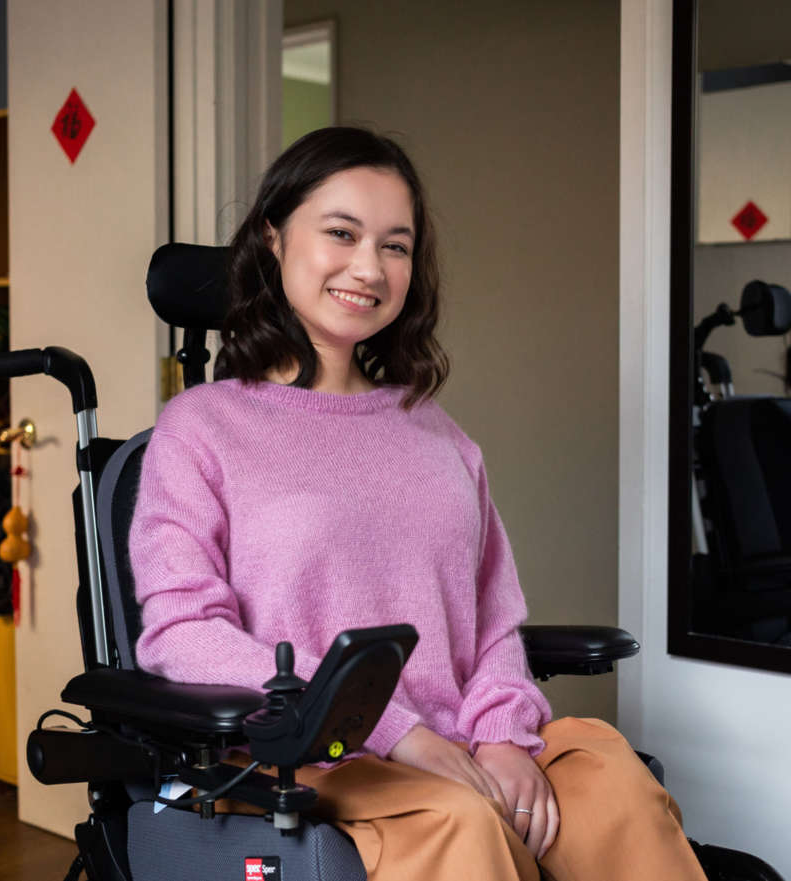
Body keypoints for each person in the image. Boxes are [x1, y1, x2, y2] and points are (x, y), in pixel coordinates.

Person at [129, 126, 707, 881]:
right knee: (461, 823)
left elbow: (494, 619)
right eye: (342, 232)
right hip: (317, 760)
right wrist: (397, 732)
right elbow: (182, 633)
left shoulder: (440, 436)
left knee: (610, 783)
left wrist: (501, 732)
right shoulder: (201, 428)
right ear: (273, 238)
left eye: (395, 246)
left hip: (462, 741)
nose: (368, 267)